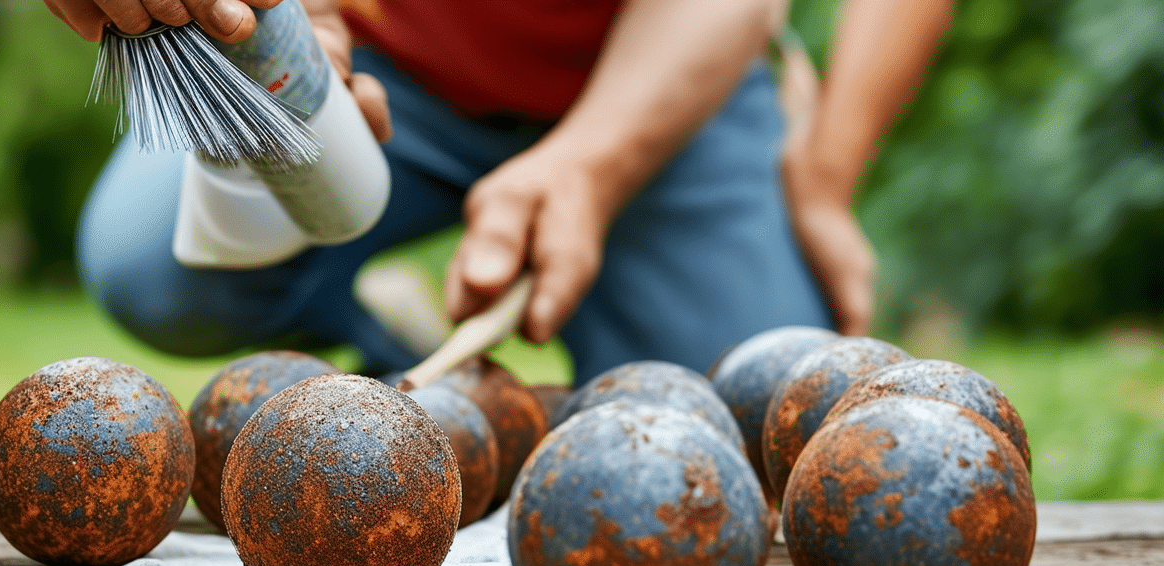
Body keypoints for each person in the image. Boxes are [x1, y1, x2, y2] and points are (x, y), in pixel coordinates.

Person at [47, 0, 950, 384]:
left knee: (744, 406)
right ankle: (404, 349)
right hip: (394, 63)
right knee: (152, 260)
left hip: (674, 78)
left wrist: (824, 177)